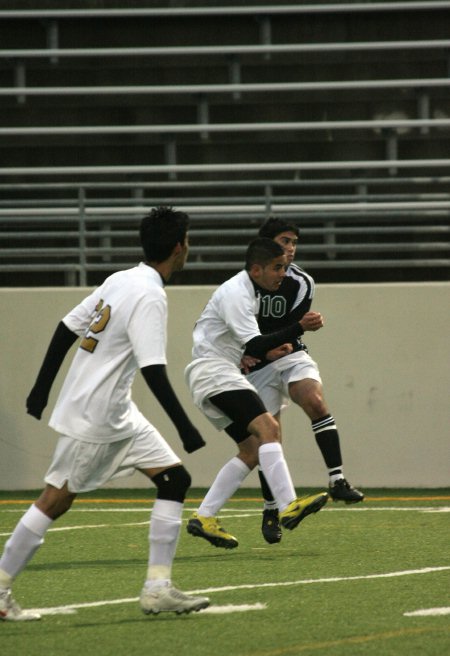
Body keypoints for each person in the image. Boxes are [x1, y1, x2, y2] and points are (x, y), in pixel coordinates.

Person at [0, 206, 210, 621]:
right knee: (55, 500)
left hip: (116, 411)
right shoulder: (149, 294)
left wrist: (41, 390)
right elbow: (152, 368)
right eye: (187, 240)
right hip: (98, 415)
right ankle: (1, 587)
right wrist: (185, 426)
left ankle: (157, 588)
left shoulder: (122, 279)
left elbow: (66, 328)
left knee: (175, 479)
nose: (188, 247)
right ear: (177, 247)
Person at [184, 237, 328, 550]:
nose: (282, 273)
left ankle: (204, 517)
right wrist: (298, 327)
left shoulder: (245, 290)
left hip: (217, 373)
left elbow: (248, 345)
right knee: (269, 429)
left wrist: (253, 353)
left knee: (251, 450)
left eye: (285, 267)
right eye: (277, 267)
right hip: (215, 373)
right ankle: (288, 504)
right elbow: (254, 344)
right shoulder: (237, 292)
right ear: (256, 269)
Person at [247, 218, 364, 544]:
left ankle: (337, 479)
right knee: (269, 438)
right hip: (257, 363)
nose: (291, 248)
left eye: (294, 242)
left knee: (314, 401)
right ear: (266, 246)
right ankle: (271, 509)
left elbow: (290, 330)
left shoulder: (301, 282)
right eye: (285, 241)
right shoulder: (244, 283)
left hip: (290, 354)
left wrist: (288, 337)